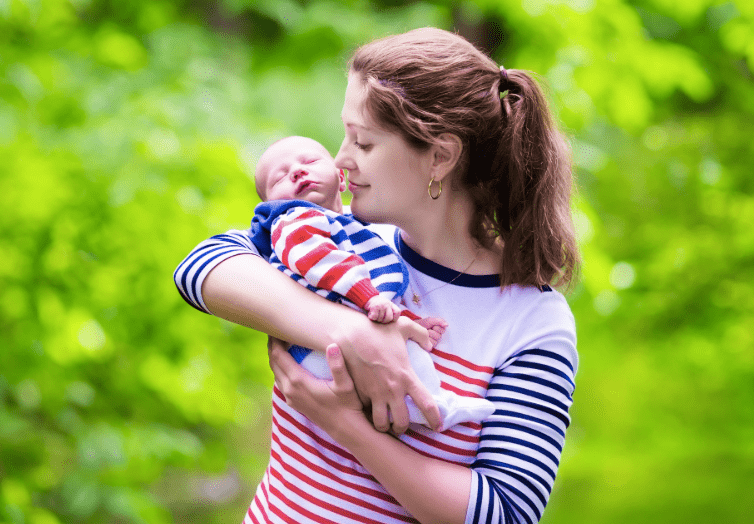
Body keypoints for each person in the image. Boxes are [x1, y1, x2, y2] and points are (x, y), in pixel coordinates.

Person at [174, 27, 579, 524]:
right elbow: (200, 267)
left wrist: (349, 428)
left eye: (362, 143)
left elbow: (507, 513)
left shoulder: (532, 322)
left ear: (440, 157)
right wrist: (349, 331)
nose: (340, 161)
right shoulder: (350, 247)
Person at [249, 134, 496, 429]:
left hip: (327, 348)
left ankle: (420, 406)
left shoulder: (351, 227)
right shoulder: (293, 223)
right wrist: (370, 298)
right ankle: (431, 406)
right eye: (280, 178)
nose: (297, 172)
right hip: (317, 351)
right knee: (401, 359)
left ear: (341, 179)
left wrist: (410, 321)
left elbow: (371, 300)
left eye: (310, 161)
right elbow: (323, 265)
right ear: (269, 204)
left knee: (402, 352)